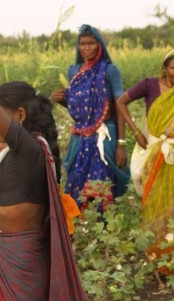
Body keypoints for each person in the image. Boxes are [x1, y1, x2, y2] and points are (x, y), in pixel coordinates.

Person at [0, 81, 91, 301]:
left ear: (20, 116)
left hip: (21, 256)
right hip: (12, 251)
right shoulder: (21, 151)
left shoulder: (31, 149)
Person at [116, 48, 174, 275]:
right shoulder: (148, 85)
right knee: (155, 205)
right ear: (164, 69)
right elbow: (121, 102)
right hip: (154, 152)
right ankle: (158, 261)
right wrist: (136, 131)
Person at [51, 24, 130, 210]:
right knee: (76, 185)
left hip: (105, 134)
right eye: (82, 44)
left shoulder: (110, 70)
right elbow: (79, 110)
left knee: (102, 185)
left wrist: (121, 144)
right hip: (80, 136)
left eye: (91, 43)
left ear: (99, 45)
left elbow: (120, 106)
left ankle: (103, 229)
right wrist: (63, 99)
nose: (86, 48)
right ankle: (78, 229)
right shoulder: (74, 71)